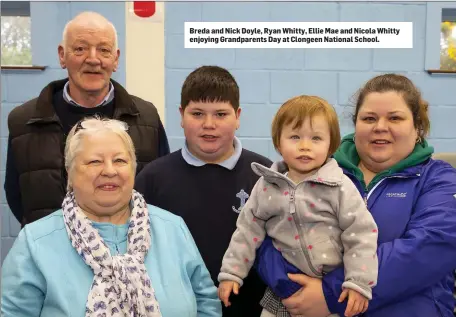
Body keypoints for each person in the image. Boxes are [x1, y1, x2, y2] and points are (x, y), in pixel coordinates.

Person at [256, 74, 456, 317]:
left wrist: (329, 294)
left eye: (395, 118)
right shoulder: (318, 172)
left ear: (417, 128)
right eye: (369, 118)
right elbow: (264, 231)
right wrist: (291, 288)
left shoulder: (437, 179)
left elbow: (430, 248)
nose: (380, 127)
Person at [1, 117, 221, 317]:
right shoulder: (36, 243)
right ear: (70, 173)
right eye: (94, 162)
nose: (109, 171)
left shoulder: (172, 229)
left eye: (120, 161)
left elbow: (206, 304)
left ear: (133, 169)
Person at [217, 95, 379, 317]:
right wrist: (231, 273)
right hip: (281, 292)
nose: (304, 146)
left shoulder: (340, 186)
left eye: (316, 138)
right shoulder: (267, 185)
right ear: (278, 143)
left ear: (331, 144)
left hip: (331, 292)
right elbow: (246, 230)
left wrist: (358, 283)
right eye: (294, 137)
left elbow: (360, 234)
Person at [4, 11, 169, 227]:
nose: (93, 59)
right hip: (52, 254)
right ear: (62, 55)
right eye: (80, 49)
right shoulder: (24, 121)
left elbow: (161, 189)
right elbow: (17, 196)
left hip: (129, 253)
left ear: (116, 59)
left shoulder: (146, 118)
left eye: (104, 50)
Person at [135, 65, 273, 316]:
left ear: (238, 116)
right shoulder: (151, 180)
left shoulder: (266, 175)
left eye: (221, 114)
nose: (209, 124)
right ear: (181, 114)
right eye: (197, 113)